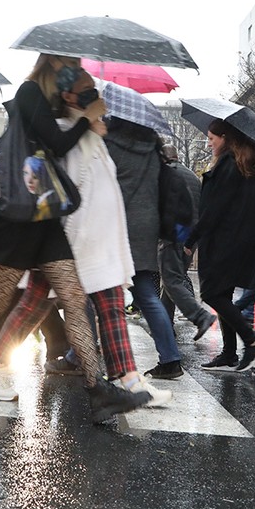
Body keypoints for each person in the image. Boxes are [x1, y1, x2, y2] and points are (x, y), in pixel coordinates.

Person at [0, 53, 151, 420]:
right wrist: (87, 120)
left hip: (47, 218)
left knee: (73, 300)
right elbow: (55, 143)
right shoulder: (28, 93)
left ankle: (98, 389)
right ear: (52, 62)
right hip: (23, 219)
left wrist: (86, 108)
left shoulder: (53, 99)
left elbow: (63, 133)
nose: (73, 66)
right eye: (68, 62)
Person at [105, 112, 186, 380]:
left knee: (99, 293)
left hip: (117, 223)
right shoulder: (152, 145)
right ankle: (170, 358)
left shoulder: (110, 144)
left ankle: (86, 357)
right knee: (146, 295)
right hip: (147, 227)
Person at [184, 119, 255, 373]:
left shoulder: (228, 166)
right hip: (241, 240)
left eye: (212, 138)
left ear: (225, 138)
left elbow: (212, 210)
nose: (209, 143)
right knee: (222, 295)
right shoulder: (246, 166)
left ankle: (251, 341)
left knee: (211, 294)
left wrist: (191, 239)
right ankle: (230, 353)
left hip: (224, 241)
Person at [156, 141, 216, 341]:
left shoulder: (166, 175)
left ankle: (197, 316)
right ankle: (166, 325)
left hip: (173, 235)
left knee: (171, 280)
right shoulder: (191, 175)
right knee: (173, 280)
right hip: (191, 237)